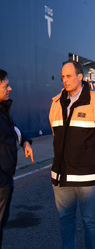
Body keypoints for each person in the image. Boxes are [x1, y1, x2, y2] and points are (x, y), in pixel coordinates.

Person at [49, 61, 95, 248]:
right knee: (65, 222)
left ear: (80, 77)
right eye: (63, 76)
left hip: (86, 178)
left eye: (69, 76)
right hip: (60, 178)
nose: (65, 80)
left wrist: (91, 162)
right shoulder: (56, 103)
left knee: (90, 223)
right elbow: (58, 139)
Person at [0, 69, 34, 248]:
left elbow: (14, 131)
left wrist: (26, 142)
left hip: (5, 179)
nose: (10, 89)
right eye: (6, 85)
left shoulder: (3, 112)